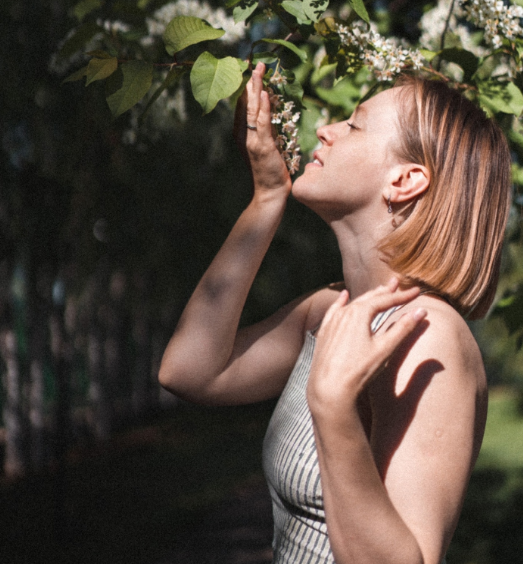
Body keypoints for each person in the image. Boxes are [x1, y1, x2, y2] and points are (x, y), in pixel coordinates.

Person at [158, 62, 511, 564]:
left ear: (406, 179)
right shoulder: (328, 309)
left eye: (355, 123)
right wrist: (266, 200)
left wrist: (333, 409)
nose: (326, 129)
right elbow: (190, 371)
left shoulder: (426, 336)